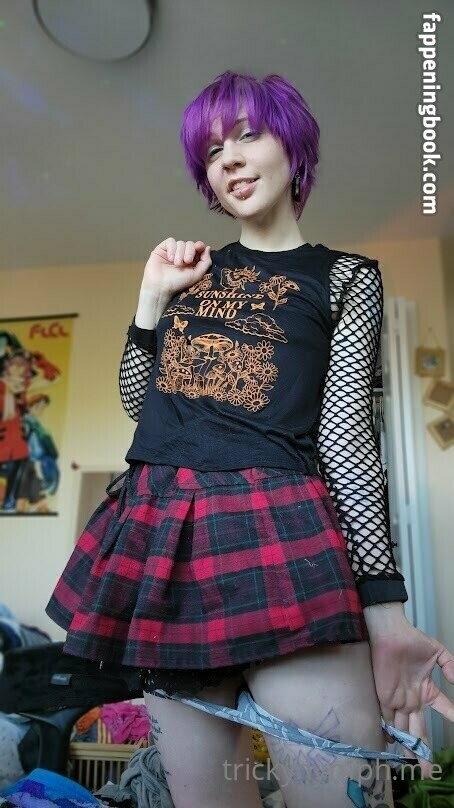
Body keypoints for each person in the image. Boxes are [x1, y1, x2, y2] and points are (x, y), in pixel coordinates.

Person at [46, 71, 454, 808]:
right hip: (160, 536)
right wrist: (151, 298)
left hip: (279, 533)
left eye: (247, 135)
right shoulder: (192, 274)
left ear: (292, 148)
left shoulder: (345, 277)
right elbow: (144, 404)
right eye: (211, 151)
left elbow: (346, 437)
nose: (228, 158)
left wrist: (386, 614)